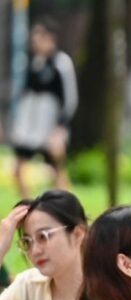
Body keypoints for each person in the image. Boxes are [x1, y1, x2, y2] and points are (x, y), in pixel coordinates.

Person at [9, 19, 78, 199]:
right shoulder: (34, 63)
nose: (35, 40)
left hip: (50, 126)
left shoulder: (61, 63)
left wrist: (60, 128)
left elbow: (69, 98)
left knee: (56, 169)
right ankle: (28, 205)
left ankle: (68, 208)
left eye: (40, 35)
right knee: (18, 169)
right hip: (30, 127)